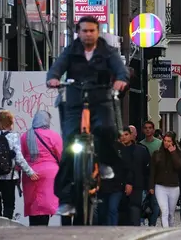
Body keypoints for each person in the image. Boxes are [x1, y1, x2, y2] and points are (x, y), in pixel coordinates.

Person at [46, 15, 129, 216]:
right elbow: (57, 67)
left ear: (97, 32)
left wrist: (120, 79)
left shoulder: (108, 52)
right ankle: (67, 200)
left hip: (100, 99)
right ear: (78, 32)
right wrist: (53, 78)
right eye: (84, 31)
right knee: (68, 149)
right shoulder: (71, 50)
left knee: (107, 129)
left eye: (92, 31)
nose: (88, 34)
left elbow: (120, 70)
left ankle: (105, 163)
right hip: (75, 101)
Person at [0, 110, 39, 220]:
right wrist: (30, 172)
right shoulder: (13, 137)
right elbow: (19, 157)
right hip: (9, 177)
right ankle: (7, 231)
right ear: (9, 123)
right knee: (9, 205)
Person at [20, 111, 62, 226]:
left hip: (30, 174)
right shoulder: (53, 136)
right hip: (49, 175)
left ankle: (33, 232)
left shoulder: (25, 136)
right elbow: (60, 156)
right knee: (45, 206)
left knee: (33, 208)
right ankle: (43, 232)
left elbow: (20, 157)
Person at [149, 132, 181, 228]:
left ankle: (171, 232)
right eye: (165, 140)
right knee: (164, 211)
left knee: (171, 214)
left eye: (169, 141)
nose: (166, 143)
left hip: (174, 187)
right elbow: (152, 171)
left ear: (173, 142)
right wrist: (151, 186)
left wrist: (173, 153)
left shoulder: (178, 153)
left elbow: (179, 167)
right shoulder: (157, 154)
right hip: (160, 186)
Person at [118, 128, 151, 226]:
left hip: (137, 186)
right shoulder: (117, 150)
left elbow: (147, 169)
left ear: (132, 136)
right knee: (122, 213)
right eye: (122, 135)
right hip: (119, 186)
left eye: (126, 134)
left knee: (135, 211)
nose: (124, 137)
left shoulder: (141, 150)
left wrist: (148, 186)